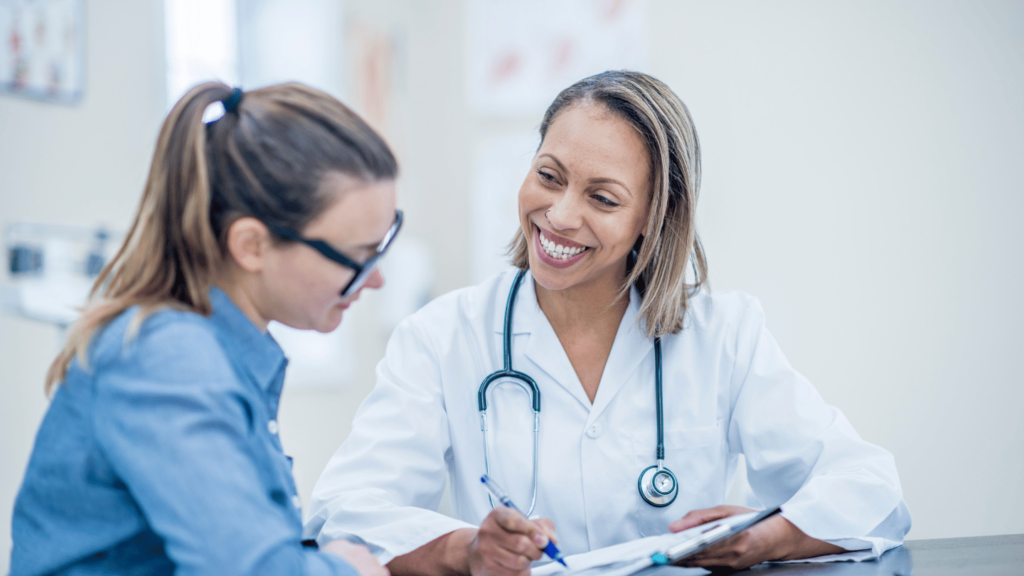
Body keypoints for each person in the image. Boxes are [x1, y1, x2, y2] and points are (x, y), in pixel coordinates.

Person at [302, 70, 912, 574]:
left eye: (603, 198)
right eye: (549, 176)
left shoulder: (723, 335)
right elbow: (345, 511)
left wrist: (768, 537)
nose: (560, 215)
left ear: (653, 215)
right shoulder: (442, 337)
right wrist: (467, 549)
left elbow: (871, 487)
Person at [10, 82, 401, 576]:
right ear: (252, 246)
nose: (378, 279)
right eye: (359, 257)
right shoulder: (165, 360)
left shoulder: (220, 352)